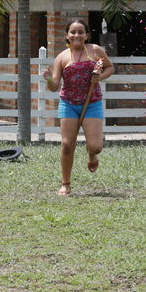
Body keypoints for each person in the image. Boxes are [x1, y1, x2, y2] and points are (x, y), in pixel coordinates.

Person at [42, 19, 114, 196]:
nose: (76, 35)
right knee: (67, 144)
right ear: (67, 35)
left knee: (96, 146)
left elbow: (110, 68)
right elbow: (54, 86)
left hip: (92, 103)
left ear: (87, 35)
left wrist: (99, 78)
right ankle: (65, 184)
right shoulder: (62, 57)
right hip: (69, 104)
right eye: (72, 32)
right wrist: (50, 79)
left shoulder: (95, 50)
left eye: (81, 32)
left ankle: (91, 155)